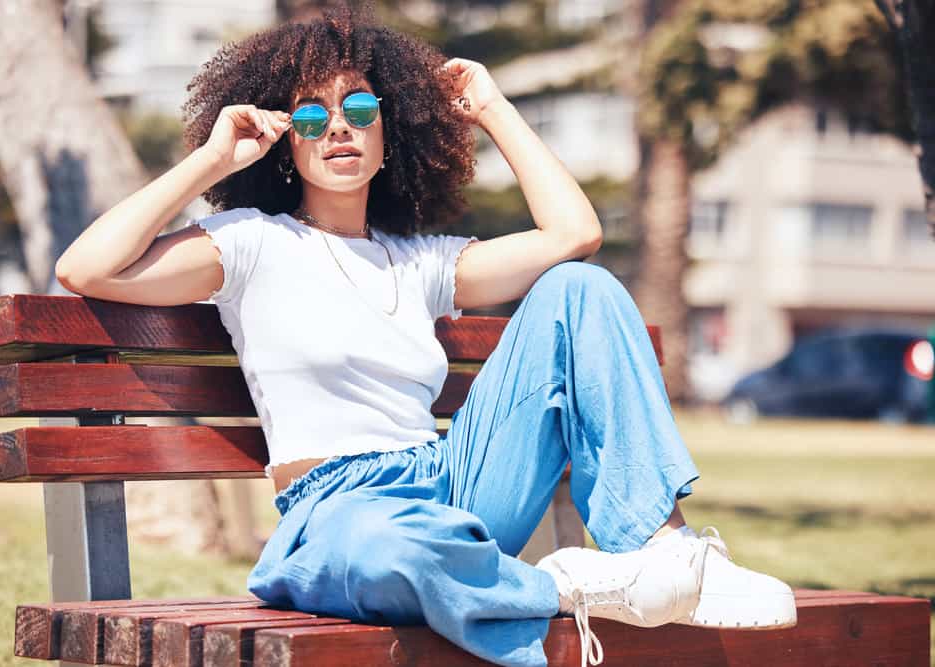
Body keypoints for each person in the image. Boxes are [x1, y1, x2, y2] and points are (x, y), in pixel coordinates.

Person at [55, 5, 796, 666]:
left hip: (454, 482)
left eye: (359, 108)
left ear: (391, 128)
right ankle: (567, 582)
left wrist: (493, 109)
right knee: (390, 549)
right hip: (342, 504)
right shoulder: (249, 244)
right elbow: (85, 267)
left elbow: (576, 234)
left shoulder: (423, 261)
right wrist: (211, 160)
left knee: (581, 289)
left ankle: (670, 553)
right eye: (310, 118)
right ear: (289, 144)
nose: (337, 127)